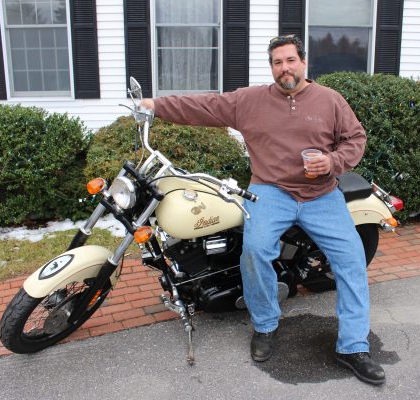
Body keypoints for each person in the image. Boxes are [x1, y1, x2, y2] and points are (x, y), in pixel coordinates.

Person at [140, 35, 385, 386]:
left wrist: (331, 161)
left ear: (303, 62)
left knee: (351, 261)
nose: (284, 68)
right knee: (254, 251)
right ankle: (266, 325)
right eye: (276, 62)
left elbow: (355, 139)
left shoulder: (330, 100)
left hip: (322, 196)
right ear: (271, 66)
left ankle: (353, 346)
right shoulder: (250, 100)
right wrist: (154, 105)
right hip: (270, 191)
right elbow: (204, 105)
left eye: (289, 60)